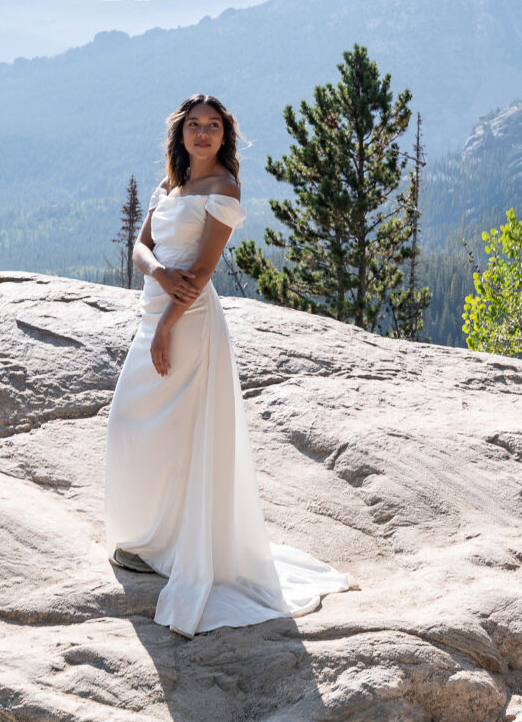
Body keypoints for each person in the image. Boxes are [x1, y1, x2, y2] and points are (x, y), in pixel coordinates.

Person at [104, 94, 349, 638]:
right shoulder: (170, 186)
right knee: (132, 424)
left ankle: (172, 547)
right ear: (181, 133)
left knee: (178, 432)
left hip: (186, 324)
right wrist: (160, 276)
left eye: (213, 127)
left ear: (224, 137)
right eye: (195, 126)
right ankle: (151, 538)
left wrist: (167, 322)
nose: (204, 134)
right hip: (155, 311)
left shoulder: (223, 190)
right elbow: (141, 249)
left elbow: (206, 269)